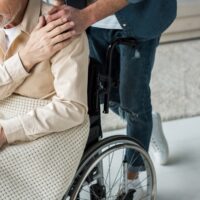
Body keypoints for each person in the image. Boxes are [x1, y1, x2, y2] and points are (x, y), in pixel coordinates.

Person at [47, 0, 176, 198]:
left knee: (133, 103)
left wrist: (86, 16)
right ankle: (147, 125)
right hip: (91, 26)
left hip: (139, 19)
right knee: (99, 96)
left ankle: (133, 181)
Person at [0, 0, 89, 151]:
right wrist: (25, 59)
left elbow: (73, 107)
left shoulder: (60, 26)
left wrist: (6, 133)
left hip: (42, 139)